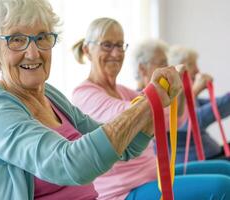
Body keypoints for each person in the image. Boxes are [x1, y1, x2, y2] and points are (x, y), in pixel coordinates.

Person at [0, 0, 183, 200]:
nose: (33, 53)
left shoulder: (49, 95)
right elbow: (71, 164)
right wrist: (147, 104)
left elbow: (126, 148)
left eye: (42, 37)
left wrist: (154, 101)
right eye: (16, 39)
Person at [72, 18, 230, 200]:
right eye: (107, 45)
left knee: (224, 169)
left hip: (151, 177)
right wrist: (165, 91)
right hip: (122, 192)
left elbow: (174, 121)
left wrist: (178, 88)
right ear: (87, 50)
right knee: (222, 186)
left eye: (120, 45)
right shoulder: (84, 94)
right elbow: (135, 115)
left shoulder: (124, 91)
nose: (115, 53)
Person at [168, 45, 230, 162]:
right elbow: (198, 118)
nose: (197, 70)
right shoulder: (169, 100)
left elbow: (219, 106)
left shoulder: (191, 97)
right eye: (191, 64)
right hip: (196, 163)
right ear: (176, 69)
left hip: (213, 154)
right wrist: (194, 90)